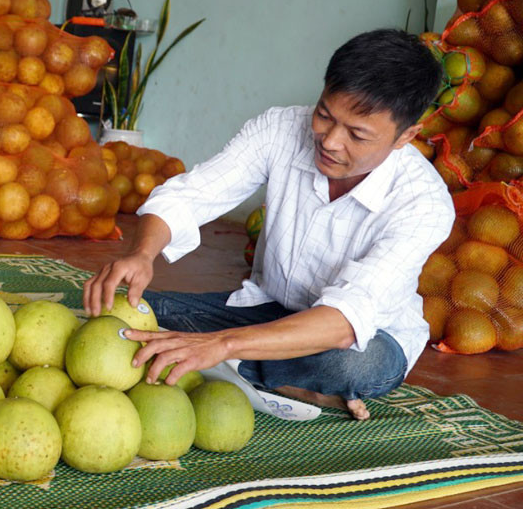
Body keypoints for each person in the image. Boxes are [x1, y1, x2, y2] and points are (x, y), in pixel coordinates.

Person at [83, 28, 454, 420]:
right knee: (122, 312)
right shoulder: (278, 130)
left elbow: (347, 321)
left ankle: (224, 361)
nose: (329, 141)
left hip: (354, 340)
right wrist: (142, 254)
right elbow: (191, 195)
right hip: (266, 312)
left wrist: (222, 345)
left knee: (351, 368)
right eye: (324, 115)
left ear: (405, 136)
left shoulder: (423, 203)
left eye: (357, 134)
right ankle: (263, 374)